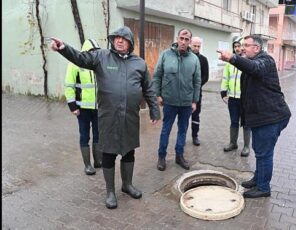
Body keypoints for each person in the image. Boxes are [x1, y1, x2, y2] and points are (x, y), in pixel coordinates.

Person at [50, 26, 160, 209]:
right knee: (108, 153)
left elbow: (148, 88)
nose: (119, 41)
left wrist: (155, 110)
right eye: (116, 38)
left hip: (130, 117)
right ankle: (110, 192)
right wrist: (63, 48)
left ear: (130, 42)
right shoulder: (101, 56)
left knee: (129, 151)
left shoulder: (139, 63)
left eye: (123, 39)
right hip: (108, 117)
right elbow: (80, 58)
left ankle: (127, 185)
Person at [217, 35, 291, 198]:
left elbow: (254, 68)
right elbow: (249, 70)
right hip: (262, 117)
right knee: (260, 151)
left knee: (264, 153)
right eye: (242, 45)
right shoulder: (253, 62)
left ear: (257, 48)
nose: (243, 48)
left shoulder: (266, 61)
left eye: (246, 45)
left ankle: (263, 188)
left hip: (271, 117)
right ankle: (258, 179)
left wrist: (233, 57)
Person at [153, 28, 201, 171]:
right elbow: (157, 76)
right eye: (181, 38)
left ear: (190, 42)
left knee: (182, 130)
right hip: (169, 101)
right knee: (165, 130)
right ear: (177, 38)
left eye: (187, 40)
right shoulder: (165, 55)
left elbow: (197, 81)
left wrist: (194, 101)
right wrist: (158, 94)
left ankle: (179, 156)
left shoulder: (194, 59)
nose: (183, 42)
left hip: (186, 103)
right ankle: (161, 157)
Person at [64, 39, 101, 176]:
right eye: (92, 51)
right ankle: (87, 165)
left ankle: (98, 161)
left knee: (98, 135)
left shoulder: (98, 63)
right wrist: (73, 106)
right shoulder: (75, 64)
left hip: (98, 107)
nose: (95, 54)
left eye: (96, 51)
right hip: (82, 108)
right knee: (84, 136)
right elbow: (69, 85)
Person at [220, 40, 251, 157]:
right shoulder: (229, 63)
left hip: (245, 99)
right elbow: (225, 78)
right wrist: (223, 93)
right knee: (233, 122)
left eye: (240, 46)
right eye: (235, 46)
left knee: (246, 123)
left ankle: (247, 146)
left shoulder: (248, 61)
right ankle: (233, 143)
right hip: (232, 98)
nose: (238, 48)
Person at [190, 37, 209, 146]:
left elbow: (205, 76)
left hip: (197, 93)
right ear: (190, 45)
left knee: (196, 115)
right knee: (183, 116)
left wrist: (196, 86)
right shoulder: (185, 58)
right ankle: (181, 136)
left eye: (198, 46)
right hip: (184, 93)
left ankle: (195, 136)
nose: (196, 48)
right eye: (194, 46)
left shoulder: (203, 59)